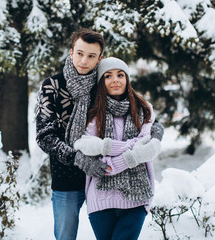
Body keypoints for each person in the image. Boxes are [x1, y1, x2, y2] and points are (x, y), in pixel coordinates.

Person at [73, 57, 164, 240]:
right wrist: (122, 148)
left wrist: (111, 161)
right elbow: (83, 144)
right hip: (101, 199)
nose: (115, 80)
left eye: (120, 75)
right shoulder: (93, 113)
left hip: (136, 198)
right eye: (108, 76)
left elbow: (146, 145)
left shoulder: (143, 109)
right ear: (101, 82)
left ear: (127, 79)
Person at [35, 28, 106, 240]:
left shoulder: (105, 85)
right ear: (71, 51)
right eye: (80, 53)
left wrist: (153, 127)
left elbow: (132, 112)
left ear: (99, 58)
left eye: (91, 56)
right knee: (65, 236)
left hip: (103, 175)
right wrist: (77, 158)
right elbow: (44, 135)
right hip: (65, 176)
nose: (84, 60)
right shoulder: (52, 86)